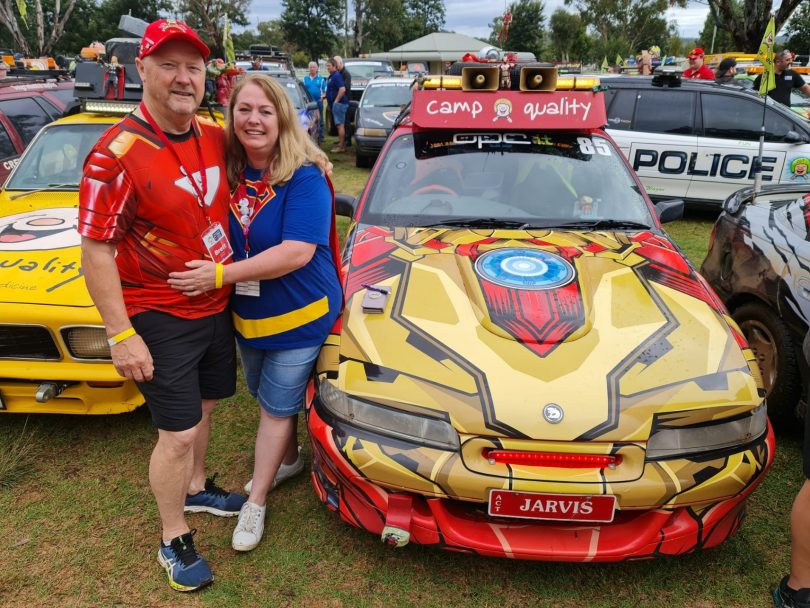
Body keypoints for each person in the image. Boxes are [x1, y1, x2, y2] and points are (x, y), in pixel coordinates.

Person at [78, 18, 245, 593]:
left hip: (213, 303)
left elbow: (272, 149)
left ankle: (197, 489)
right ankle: (172, 537)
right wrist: (122, 334)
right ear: (141, 71)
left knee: (204, 405)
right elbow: (95, 252)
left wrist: (317, 159)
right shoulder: (114, 155)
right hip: (157, 311)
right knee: (175, 432)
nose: (182, 78)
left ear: (206, 77)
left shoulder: (211, 133)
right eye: (168, 66)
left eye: (193, 68)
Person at [167, 73, 342, 553]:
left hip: (301, 313)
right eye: (244, 109)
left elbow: (296, 253)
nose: (254, 119)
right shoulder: (229, 171)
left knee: (274, 404)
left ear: (282, 117)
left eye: (265, 110)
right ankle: (288, 461)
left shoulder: (304, 175)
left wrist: (219, 277)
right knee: (264, 394)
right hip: (249, 314)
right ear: (231, 117)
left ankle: (258, 500)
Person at [325, 57, 348, 152]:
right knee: (339, 125)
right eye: (326, 66)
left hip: (339, 104)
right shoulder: (331, 76)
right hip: (335, 104)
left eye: (329, 66)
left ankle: (341, 147)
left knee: (340, 125)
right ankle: (340, 143)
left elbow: (342, 89)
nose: (327, 68)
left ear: (334, 66)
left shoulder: (336, 76)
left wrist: (336, 101)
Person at [303, 61, 326, 143]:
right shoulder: (305, 79)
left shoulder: (321, 79)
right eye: (311, 67)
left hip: (318, 102)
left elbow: (325, 90)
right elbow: (303, 90)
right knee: (309, 119)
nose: (312, 69)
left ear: (317, 68)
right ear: (308, 68)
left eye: (314, 67)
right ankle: (310, 135)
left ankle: (321, 136)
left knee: (320, 119)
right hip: (308, 103)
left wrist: (322, 97)